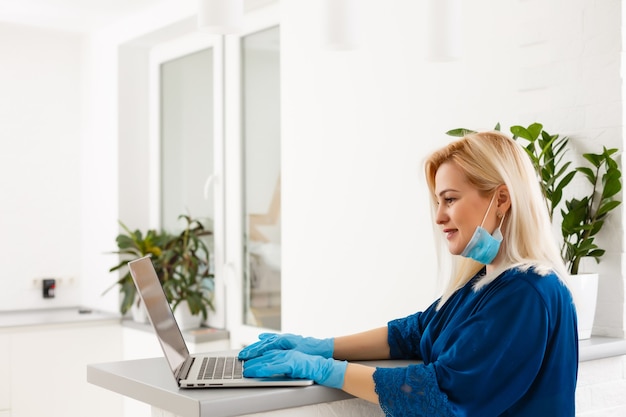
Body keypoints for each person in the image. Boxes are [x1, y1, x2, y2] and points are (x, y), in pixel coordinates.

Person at [238, 131, 579, 416]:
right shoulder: (485, 282)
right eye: (437, 202)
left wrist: (326, 370)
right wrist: (321, 347)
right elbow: (414, 332)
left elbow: (441, 395)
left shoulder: (527, 293)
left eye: (449, 199)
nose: (439, 217)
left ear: (501, 199)